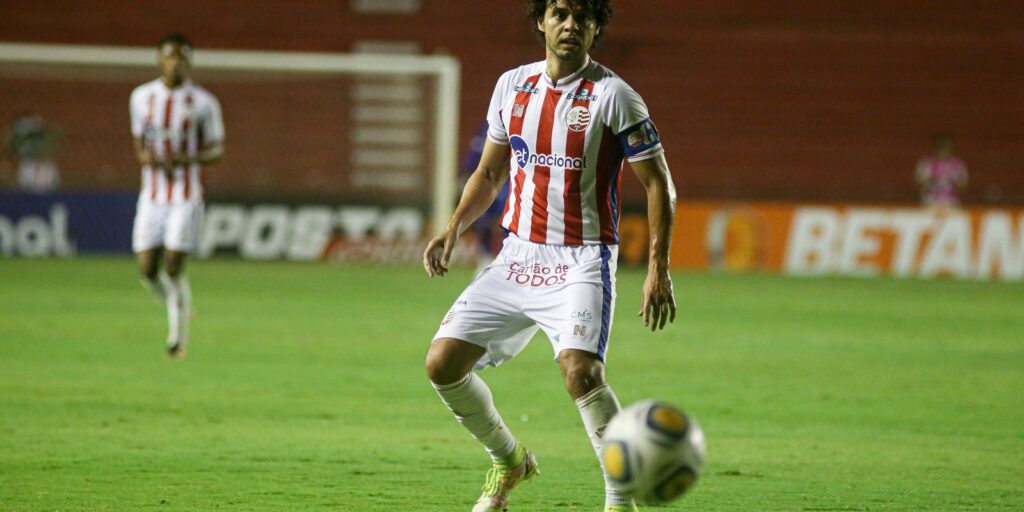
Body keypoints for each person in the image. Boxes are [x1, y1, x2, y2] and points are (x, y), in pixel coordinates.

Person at [422, 2, 677, 511]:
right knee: (442, 364)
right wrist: (453, 227)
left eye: (584, 16)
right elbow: (490, 174)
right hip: (517, 255)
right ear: (540, 20)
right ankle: (509, 459)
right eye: (560, 12)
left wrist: (658, 268)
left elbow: (658, 185)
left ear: (596, 28)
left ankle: (619, 501)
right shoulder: (512, 86)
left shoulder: (615, 96)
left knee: (581, 372)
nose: (570, 25)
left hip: (582, 259)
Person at [130, 33, 224, 358]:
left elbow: (217, 149)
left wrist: (187, 159)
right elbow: (139, 142)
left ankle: (176, 340)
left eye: (183, 58)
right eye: (171, 57)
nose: (177, 63)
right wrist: (146, 158)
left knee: (172, 266)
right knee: (146, 268)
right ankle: (179, 305)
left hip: (186, 194)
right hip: (152, 195)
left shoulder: (203, 102)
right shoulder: (142, 97)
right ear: (159, 59)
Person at [6, 113, 61, 193]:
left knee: (48, 187)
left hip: (42, 166)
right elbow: (14, 152)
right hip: (29, 164)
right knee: (28, 189)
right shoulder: (20, 139)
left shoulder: (44, 138)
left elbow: (51, 149)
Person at [915, 132, 968, 208]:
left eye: (946, 145)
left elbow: (963, 185)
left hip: (952, 202)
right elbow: (919, 182)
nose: (944, 147)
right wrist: (934, 181)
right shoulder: (926, 163)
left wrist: (953, 183)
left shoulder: (959, 164)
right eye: (942, 144)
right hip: (930, 201)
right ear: (936, 146)